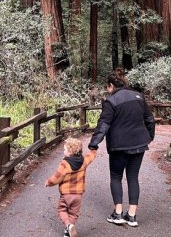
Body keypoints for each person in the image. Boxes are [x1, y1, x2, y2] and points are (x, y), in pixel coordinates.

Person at [88, 67, 155, 227]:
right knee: (133, 177)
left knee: (116, 177)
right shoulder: (139, 97)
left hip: (119, 146)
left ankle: (117, 213)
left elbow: (104, 124)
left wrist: (94, 144)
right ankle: (131, 216)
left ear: (111, 85)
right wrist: (149, 137)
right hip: (139, 144)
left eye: (107, 87)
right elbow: (150, 119)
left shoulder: (111, 101)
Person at [45, 137, 98, 237]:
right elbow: (91, 156)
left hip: (66, 194)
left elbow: (56, 178)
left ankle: (68, 225)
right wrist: (94, 150)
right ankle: (68, 230)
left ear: (69, 152)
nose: (63, 151)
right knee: (73, 213)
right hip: (78, 195)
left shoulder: (64, 164)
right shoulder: (84, 160)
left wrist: (48, 182)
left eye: (64, 150)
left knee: (62, 209)